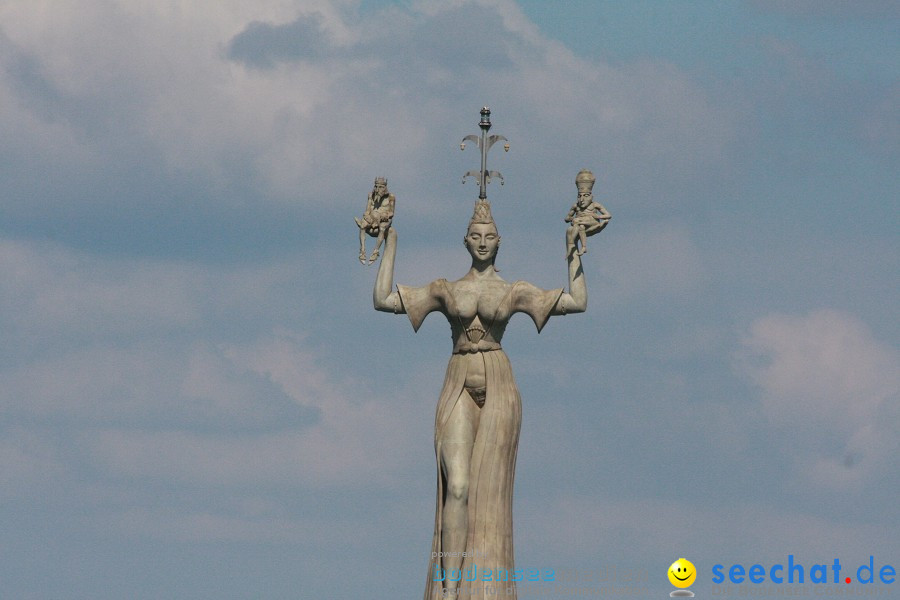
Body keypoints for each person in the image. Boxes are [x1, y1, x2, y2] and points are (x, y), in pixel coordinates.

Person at [373, 198, 589, 600]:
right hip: (458, 378)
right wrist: (390, 246)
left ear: (500, 241)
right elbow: (383, 300)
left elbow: (576, 301)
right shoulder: (445, 289)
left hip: (498, 381)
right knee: (457, 486)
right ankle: (450, 589)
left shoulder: (514, 290)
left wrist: (574, 250)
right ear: (465, 241)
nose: (483, 242)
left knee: (489, 490)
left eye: (489, 236)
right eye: (476, 236)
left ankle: (486, 581)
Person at [565, 169, 610, 257]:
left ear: (591, 196)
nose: (582, 199)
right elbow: (567, 218)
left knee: (578, 222)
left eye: (585, 196)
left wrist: (597, 216)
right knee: (579, 226)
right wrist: (571, 218)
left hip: (592, 223)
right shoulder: (576, 206)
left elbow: (608, 215)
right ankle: (583, 247)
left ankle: (571, 243)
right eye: (579, 196)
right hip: (581, 226)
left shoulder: (595, 205)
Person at [355, 177, 395, 265]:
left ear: (385, 188)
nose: (377, 189)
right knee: (362, 226)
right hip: (372, 216)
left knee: (382, 228)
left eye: (380, 187)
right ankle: (362, 251)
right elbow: (368, 209)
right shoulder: (371, 195)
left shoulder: (391, 197)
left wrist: (386, 215)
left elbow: (392, 212)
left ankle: (375, 251)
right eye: (376, 187)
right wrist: (367, 216)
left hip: (383, 218)